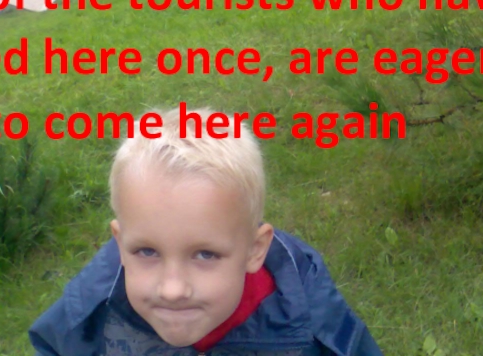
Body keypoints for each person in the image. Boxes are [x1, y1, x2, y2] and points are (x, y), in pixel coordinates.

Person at [28, 108, 383, 355]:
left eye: (205, 254)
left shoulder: (308, 314)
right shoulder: (90, 313)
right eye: (147, 252)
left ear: (255, 249)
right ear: (120, 243)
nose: (172, 290)